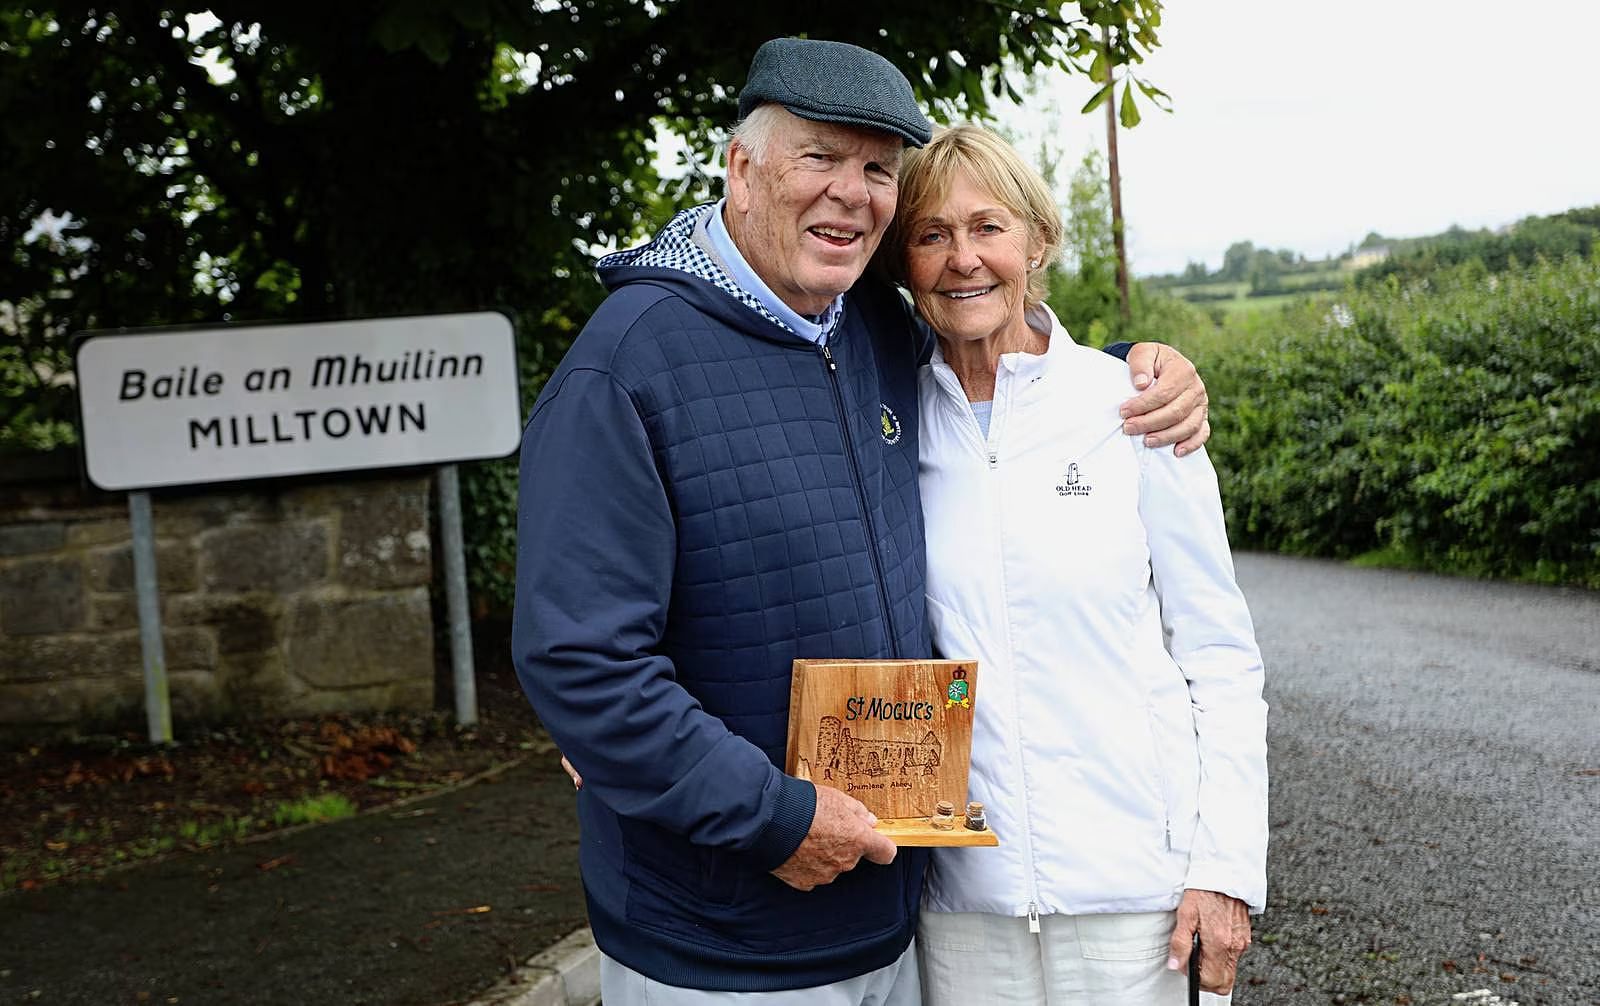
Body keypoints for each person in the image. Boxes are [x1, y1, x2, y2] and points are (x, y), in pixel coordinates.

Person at [513, 38, 1210, 1004]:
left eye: (877, 169)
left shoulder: (873, 326)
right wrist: (776, 821)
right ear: (742, 167)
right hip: (724, 945)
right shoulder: (624, 369)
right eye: (818, 158)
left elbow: (994, 331)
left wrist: (1138, 366)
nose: (852, 191)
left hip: (892, 926)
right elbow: (581, 665)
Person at [883, 124, 1267, 1003]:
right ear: (903, 263)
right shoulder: (886, 426)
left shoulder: (1132, 407)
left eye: (988, 228)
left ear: (1038, 241)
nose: (962, 259)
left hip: (1139, 902)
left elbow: (1219, 653)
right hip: (960, 908)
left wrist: (1225, 867)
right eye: (932, 234)